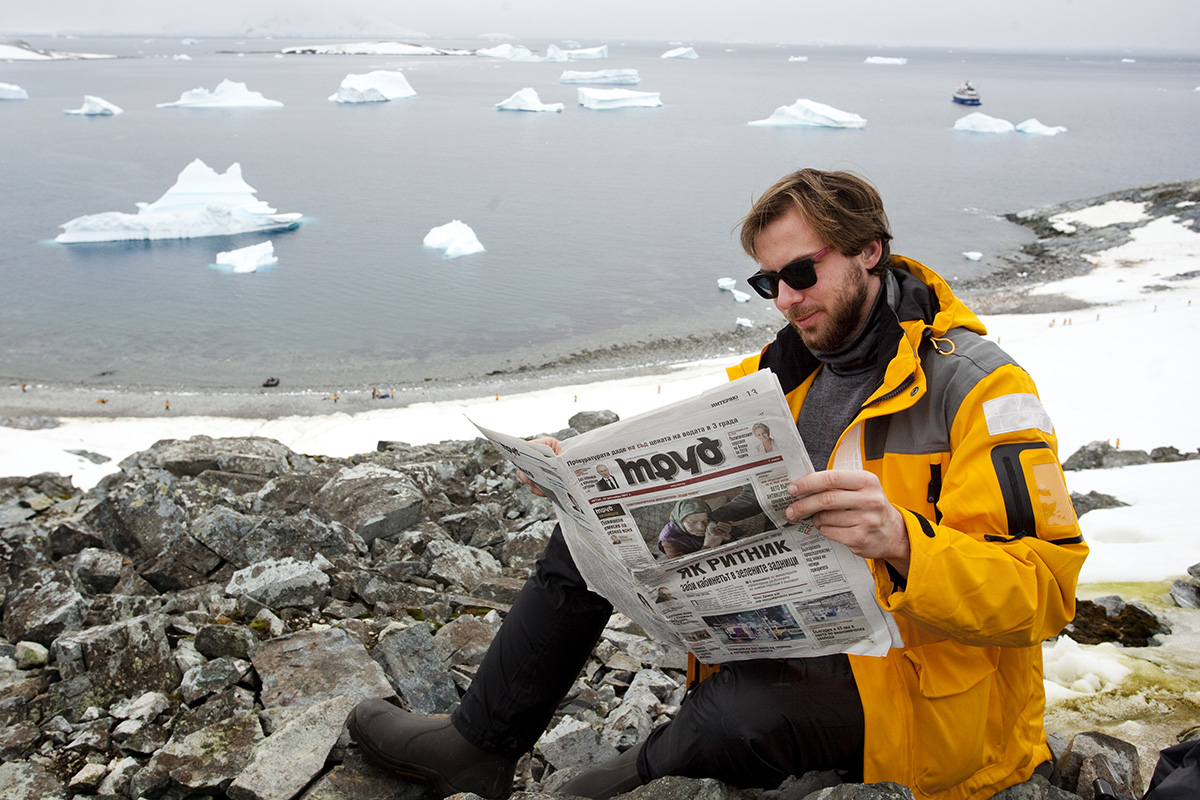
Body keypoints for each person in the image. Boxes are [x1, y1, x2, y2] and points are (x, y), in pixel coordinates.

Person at [348, 168, 1087, 800]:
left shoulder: (982, 391)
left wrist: (904, 543)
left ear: (871, 251)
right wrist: (581, 479)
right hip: (804, 636)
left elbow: (1046, 595)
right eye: (769, 282)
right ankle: (480, 741)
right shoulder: (780, 375)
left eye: (803, 273)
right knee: (585, 536)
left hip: (927, 697)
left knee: (734, 717)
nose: (787, 301)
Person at [656, 498, 736, 558]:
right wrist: (708, 547)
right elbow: (686, 567)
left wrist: (728, 538)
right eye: (692, 521)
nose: (702, 527)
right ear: (679, 520)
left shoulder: (711, 522)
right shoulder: (669, 540)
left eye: (705, 520)